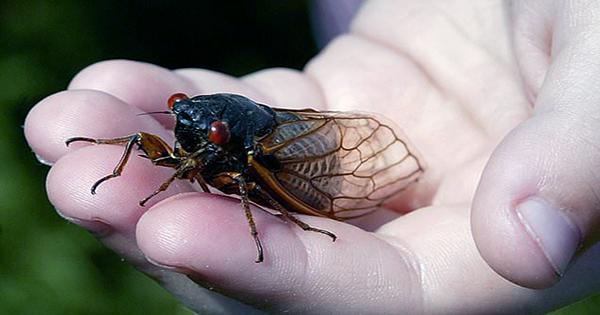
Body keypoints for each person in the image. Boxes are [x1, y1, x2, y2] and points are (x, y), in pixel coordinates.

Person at [24, 0, 600, 313]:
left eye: (211, 134)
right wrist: (128, 156)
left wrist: (282, 212)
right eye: (178, 110)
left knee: (252, 183)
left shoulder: (238, 151)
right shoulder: (196, 126)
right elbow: (179, 137)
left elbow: (243, 180)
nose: (182, 125)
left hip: (279, 151)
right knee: (127, 137)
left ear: (225, 136)